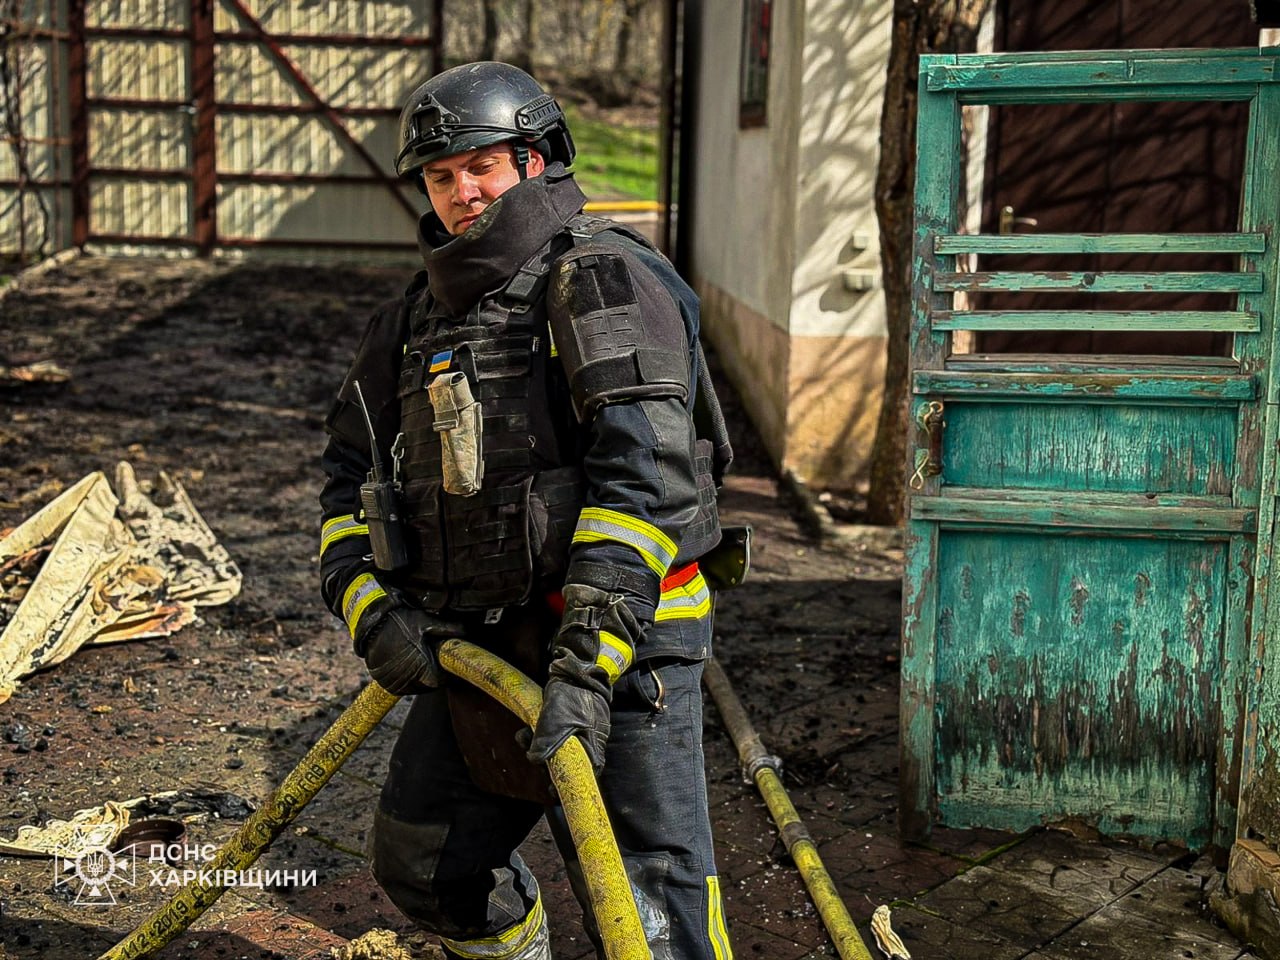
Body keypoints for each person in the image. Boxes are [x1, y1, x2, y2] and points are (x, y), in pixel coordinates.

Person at [318, 62, 738, 960]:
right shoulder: (414, 318)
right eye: (440, 176)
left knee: (649, 912)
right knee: (425, 865)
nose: (462, 193)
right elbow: (344, 476)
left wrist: (588, 663)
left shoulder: (602, 280)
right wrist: (373, 614)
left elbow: (645, 485)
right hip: (481, 645)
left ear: (538, 159)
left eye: (482, 166)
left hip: (626, 646)